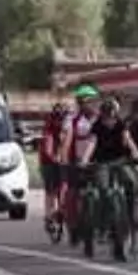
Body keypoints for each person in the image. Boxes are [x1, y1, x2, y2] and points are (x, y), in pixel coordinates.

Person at [79, 100, 138, 261]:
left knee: (131, 182)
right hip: (102, 163)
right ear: (102, 116)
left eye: (112, 117)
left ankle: (130, 214)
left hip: (120, 161)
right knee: (103, 188)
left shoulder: (121, 125)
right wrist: (85, 159)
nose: (110, 121)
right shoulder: (97, 127)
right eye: (107, 117)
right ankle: (104, 222)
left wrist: (136, 153)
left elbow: (128, 140)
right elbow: (92, 144)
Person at [58, 84, 101, 245]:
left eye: (93, 101)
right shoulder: (72, 120)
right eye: (87, 101)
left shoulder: (101, 118)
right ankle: (73, 225)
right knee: (73, 193)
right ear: (80, 103)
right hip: (76, 161)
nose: (92, 105)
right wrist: (64, 159)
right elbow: (67, 140)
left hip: (96, 161)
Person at [39, 103, 68, 224]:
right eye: (57, 119)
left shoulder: (67, 129)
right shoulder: (48, 130)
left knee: (63, 187)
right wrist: (53, 157)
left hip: (63, 161)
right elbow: (47, 146)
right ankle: (48, 215)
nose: (59, 122)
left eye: (61, 119)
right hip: (48, 162)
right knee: (50, 189)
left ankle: (61, 210)